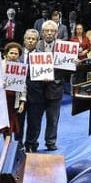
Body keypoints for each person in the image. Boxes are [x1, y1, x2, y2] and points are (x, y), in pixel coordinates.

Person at [25, 20, 66, 152]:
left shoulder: (63, 48)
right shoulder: (34, 45)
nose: (49, 33)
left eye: (52, 31)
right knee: (34, 119)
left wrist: (73, 63)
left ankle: (50, 142)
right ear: (42, 33)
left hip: (55, 88)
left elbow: (68, 69)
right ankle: (32, 143)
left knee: (53, 118)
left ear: (56, 33)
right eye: (47, 31)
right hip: (37, 89)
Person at [0, 42, 26, 161]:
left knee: (9, 128)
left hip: (13, 102)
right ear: (6, 54)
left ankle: (6, 151)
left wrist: (22, 102)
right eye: (11, 53)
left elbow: (23, 87)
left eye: (16, 53)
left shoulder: (20, 67)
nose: (13, 55)